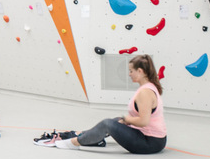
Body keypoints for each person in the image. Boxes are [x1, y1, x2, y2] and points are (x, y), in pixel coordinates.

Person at [36, 54, 166, 153]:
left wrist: (127, 119)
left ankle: (72, 142)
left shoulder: (145, 93)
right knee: (115, 120)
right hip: (150, 138)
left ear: (140, 71)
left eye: (131, 71)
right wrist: (124, 120)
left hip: (150, 143)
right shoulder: (149, 87)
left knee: (108, 124)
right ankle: (82, 135)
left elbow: (144, 121)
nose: (129, 74)